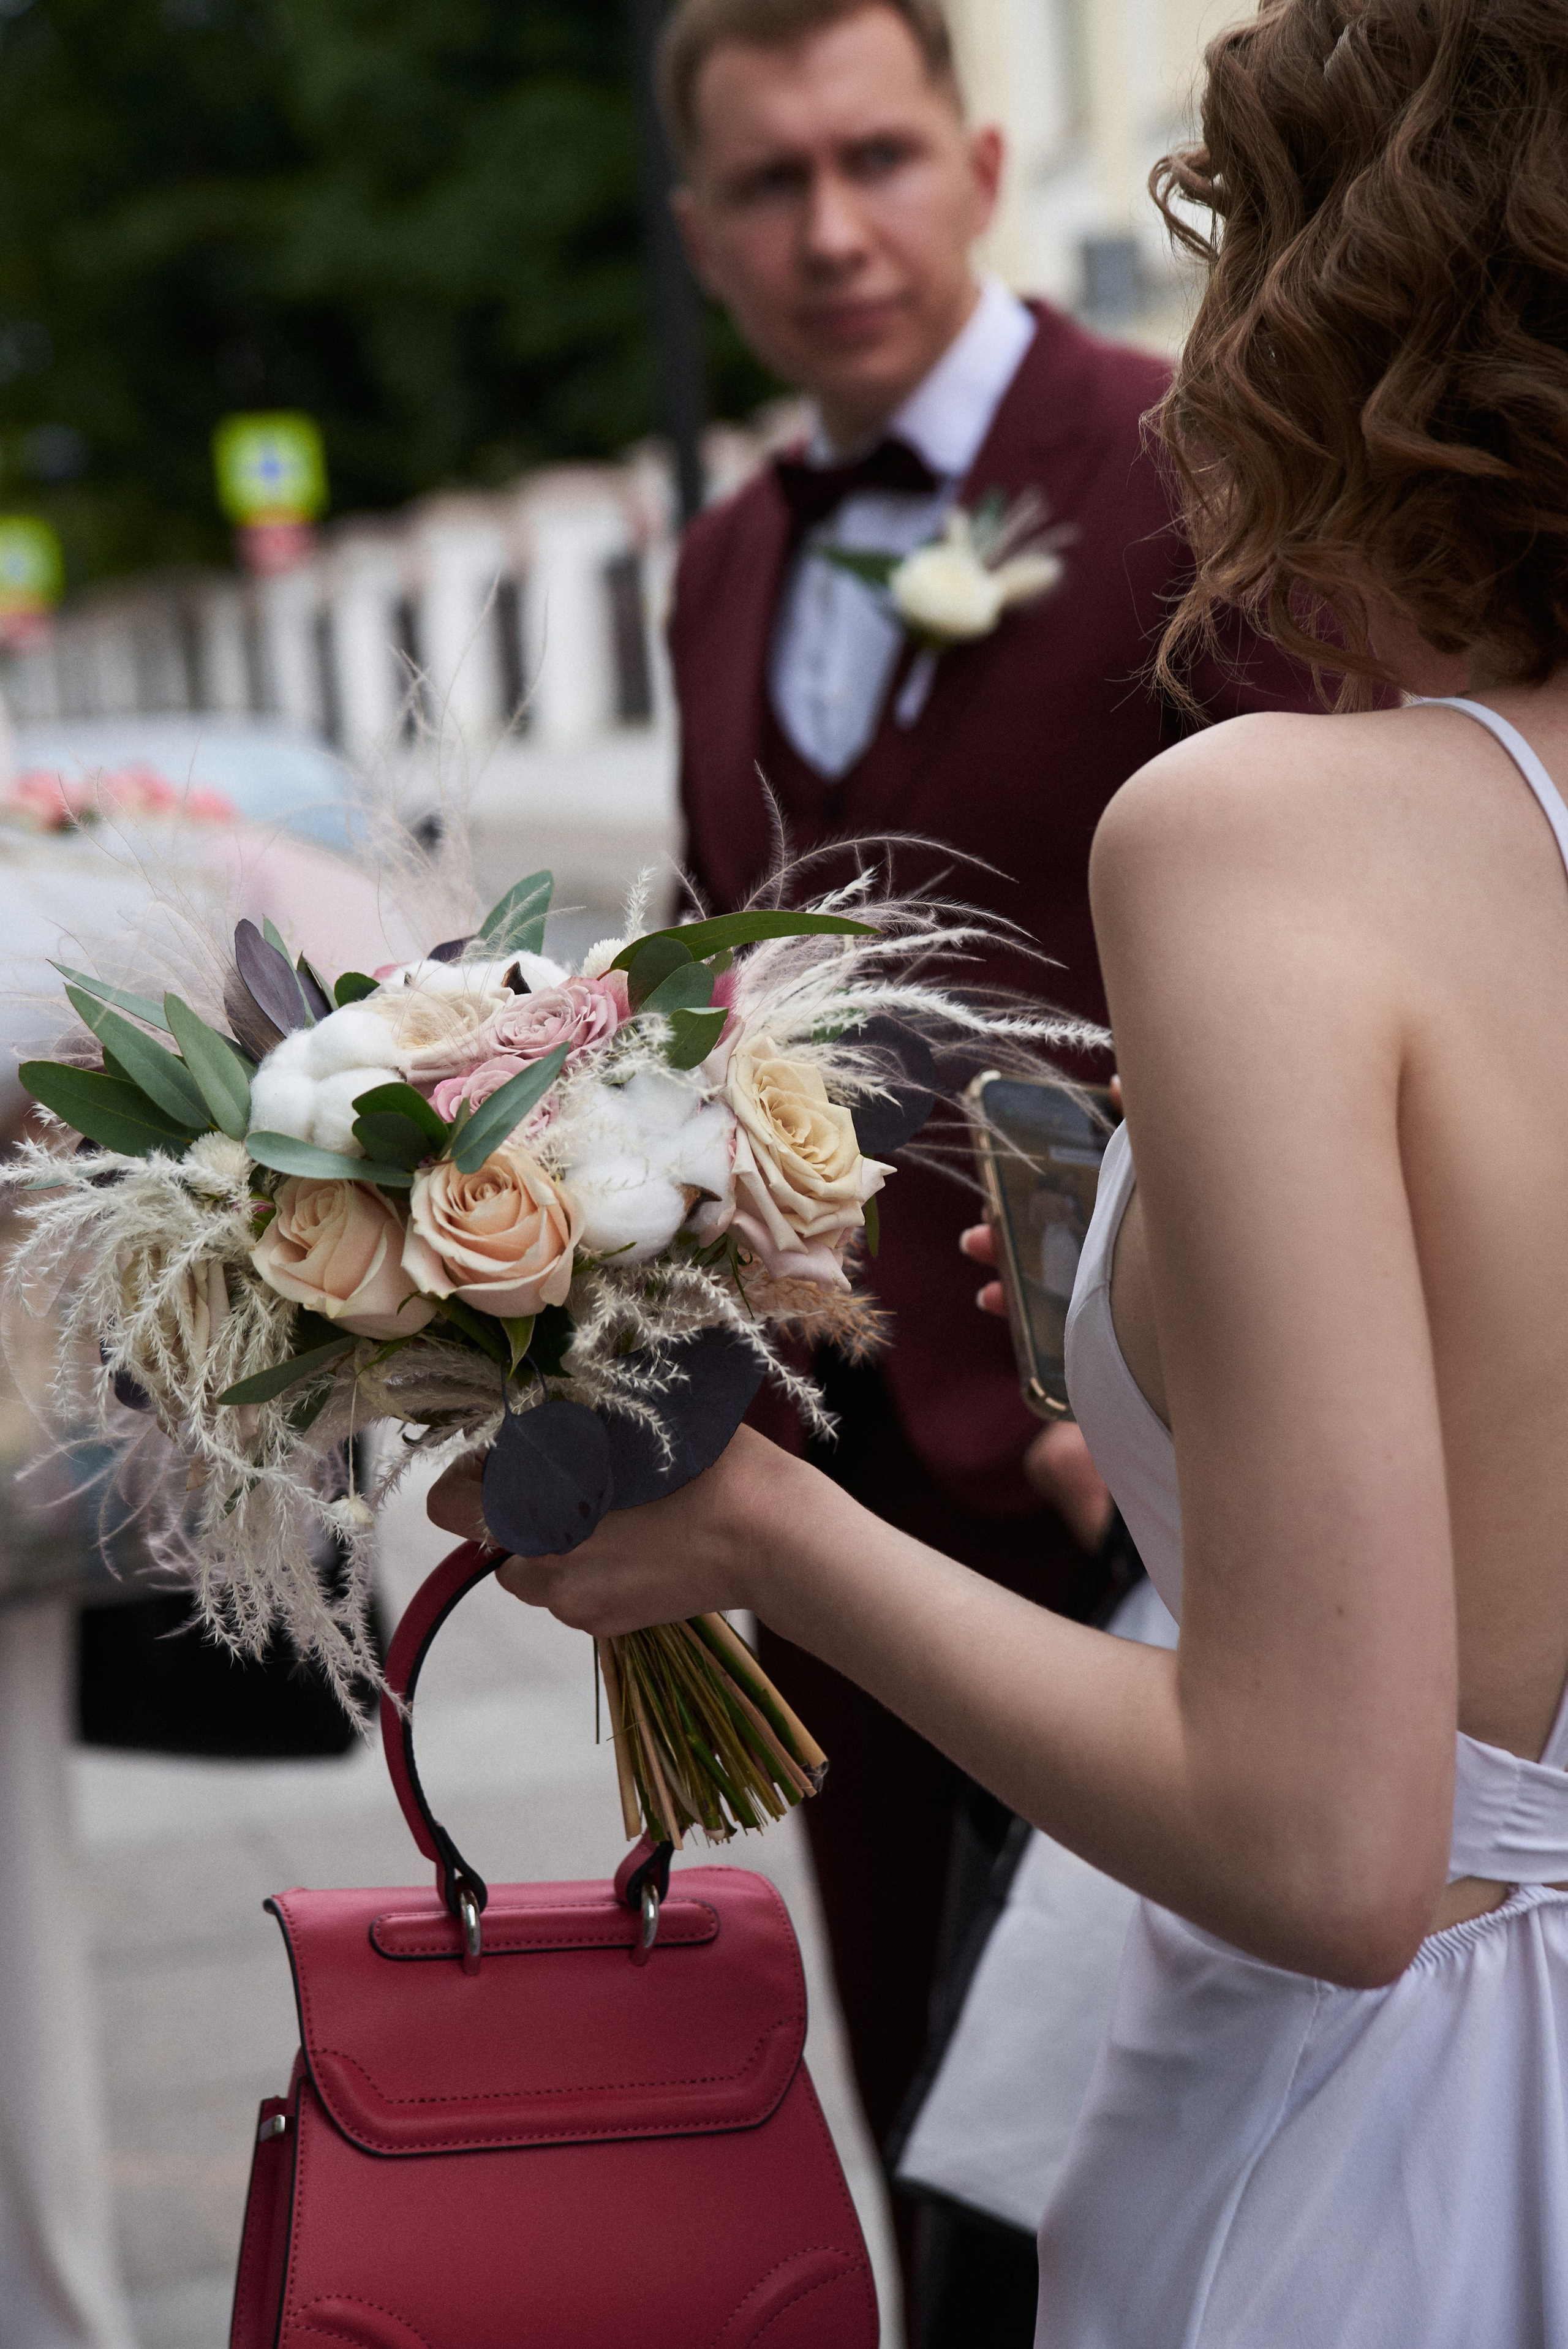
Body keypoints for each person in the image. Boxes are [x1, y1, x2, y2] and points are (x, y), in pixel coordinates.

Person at [435, 0, 1568, 2337]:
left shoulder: (1268, 824)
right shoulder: (729, 551)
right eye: (766, 180)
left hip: (1393, 2117)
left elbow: (1324, 1847)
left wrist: (749, 1524)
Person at [652, 1, 1321, 2315]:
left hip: (1121, 1472)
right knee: (924, 2122)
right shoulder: (724, 557)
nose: (832, 228)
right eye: (767, 183)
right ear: (700, 229)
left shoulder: (1182, 457)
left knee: (1129, 2144)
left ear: (984, 151)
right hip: (823, 1483)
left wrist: (1173, 1398)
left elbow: (1345, 917)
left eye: (877, 156)